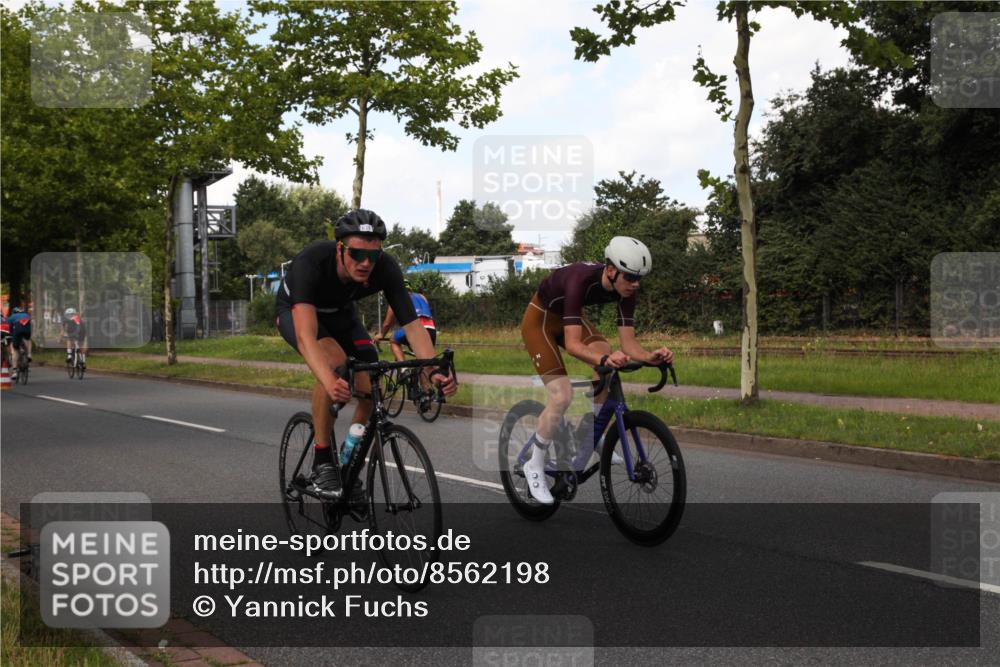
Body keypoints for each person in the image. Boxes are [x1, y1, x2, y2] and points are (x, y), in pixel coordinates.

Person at [276, 209, 457, 501]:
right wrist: (329, 379)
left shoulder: (385, 268)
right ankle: (323, 462)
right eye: (356, 254)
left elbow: (412, 326)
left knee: (372, 386)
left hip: (342, 315)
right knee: (333, 364)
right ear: (340, 249)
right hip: (298, 313)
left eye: (372, 257)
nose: (364, 263)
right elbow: (305, 336)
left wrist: (432, 369)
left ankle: (347, 461)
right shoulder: (311, 262)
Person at [519, 236, 674, 505]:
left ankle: (591, 432)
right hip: (540, 321)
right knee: (562, 396)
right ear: (611, 270)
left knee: (606, 361)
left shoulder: (626, 289)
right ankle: (534, 464)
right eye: (630, 277)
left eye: (639, 279)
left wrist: (652, 357)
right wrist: (604, 357)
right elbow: (573, 344)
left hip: (571, 319)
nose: (635, 284)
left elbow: (628, 344)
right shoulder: (580, 280)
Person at [373, 279, 437, 362]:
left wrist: (381, 334)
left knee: (393, 340)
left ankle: (403, 369)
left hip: (415, 328)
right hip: (431, 329)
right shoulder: (422, 297)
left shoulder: (397, 298)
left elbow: (387, 323)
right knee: (425, 364)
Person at [8, 306, 32, 378]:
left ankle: (14, 371)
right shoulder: (26, 315)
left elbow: (10, 329)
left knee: (15, 350)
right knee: (28, 339)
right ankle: (29, 354)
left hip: (17, 330)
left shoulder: (12, 317)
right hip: (27, 329)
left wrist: (12, 336)